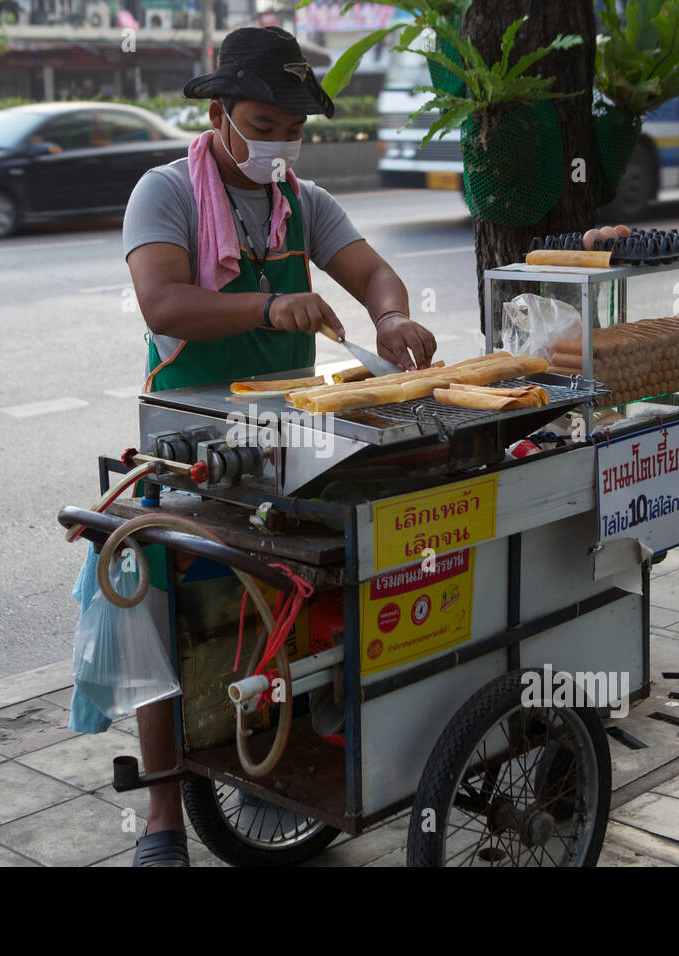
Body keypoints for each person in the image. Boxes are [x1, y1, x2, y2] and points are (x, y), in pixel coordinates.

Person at [119, 25, 437, 866]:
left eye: (294, 129)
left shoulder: (304, 201)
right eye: (264, 125)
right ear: (221, 113)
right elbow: (164, 304)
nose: (280, 144)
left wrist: (392, 314)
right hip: (191, 439)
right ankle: (160, 815)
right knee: (158, 605)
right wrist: (269, 307)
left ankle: (320, 717)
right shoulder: (165, 193)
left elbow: (370, 271)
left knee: (333, 570)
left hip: (288, 442)